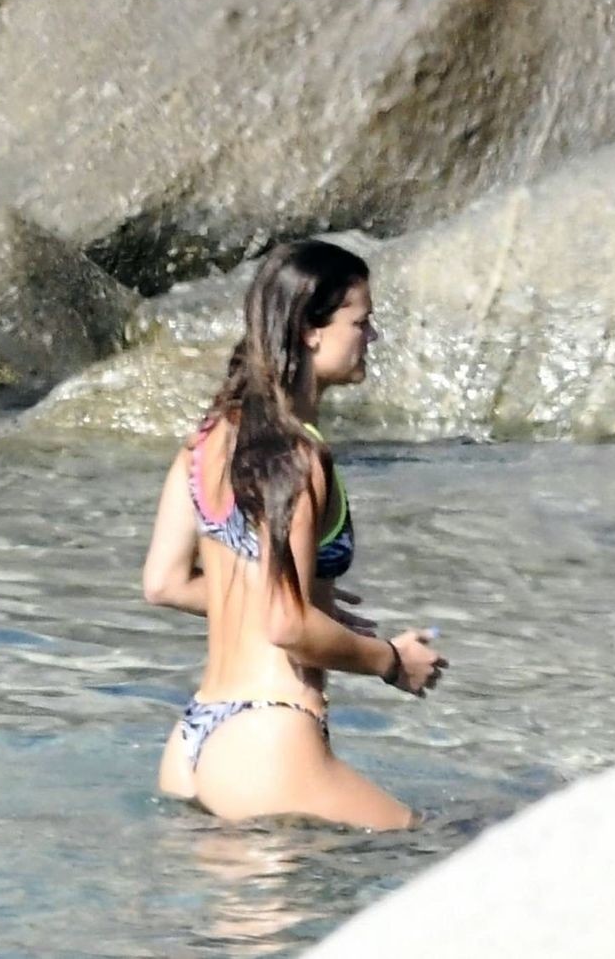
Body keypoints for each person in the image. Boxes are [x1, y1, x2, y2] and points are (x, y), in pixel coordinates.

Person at [141, 238, 444, 828]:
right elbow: (286, 625)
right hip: (268, 737)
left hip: (195, 737)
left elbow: (164, 583)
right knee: (448, 850)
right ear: (310, 330)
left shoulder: (205, 440)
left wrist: (295, 599)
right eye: (362, 321)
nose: (372, 337)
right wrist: (390, 661)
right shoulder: (300, 456)